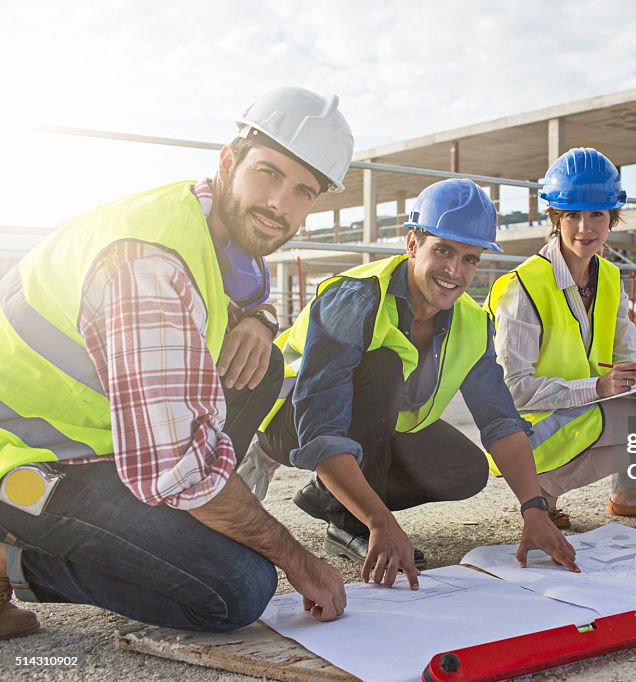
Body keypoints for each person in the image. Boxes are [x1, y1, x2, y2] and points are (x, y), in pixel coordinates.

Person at [0, 87, 356, 640]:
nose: (279, 204)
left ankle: (189, 524)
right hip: (25, 458)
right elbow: (179, 468)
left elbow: (248, 282)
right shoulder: (147, 262)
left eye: (303, 191)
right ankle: (11, 560)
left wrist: (258, 321)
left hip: (101, 441)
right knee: (236, 588)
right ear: (228, 161)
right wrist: (295, 557)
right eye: (268, 173)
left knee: (260, 370)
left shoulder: (210, 220)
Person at [246, 178, 578, 588]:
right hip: (291, 421)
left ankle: (330, 495)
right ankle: (354, 521)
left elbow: (502, 423)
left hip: (375, 431)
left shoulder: (471, 324)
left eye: (469, 259)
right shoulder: (357, 299)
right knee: (383, 366)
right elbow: (321, 427)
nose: (455, 271)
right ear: (412, 244)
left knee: (467, 470)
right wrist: (380, 522)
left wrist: (535, 510)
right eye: (443, 250)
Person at [486, 147, 636, 530]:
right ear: (555, 218)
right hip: (533, 429)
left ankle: (631, 494)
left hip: (590, 401)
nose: (585, 228)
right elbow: (513, 390)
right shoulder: (524, 287)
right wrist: (598, 387)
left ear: (612, 218)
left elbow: (627, 355)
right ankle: (541, 493)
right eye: (572, 215)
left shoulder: (610, 279)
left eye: (596, 215)